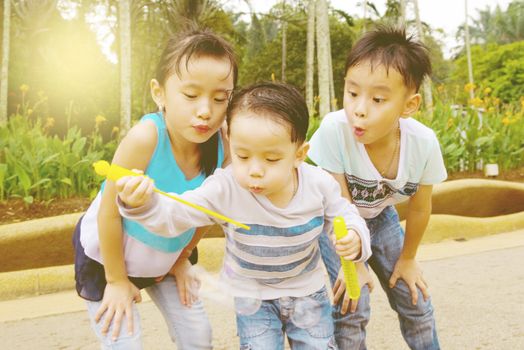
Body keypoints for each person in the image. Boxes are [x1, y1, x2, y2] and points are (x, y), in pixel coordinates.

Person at [115, 82, 372, 350]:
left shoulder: (318, 185)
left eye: (271, 159)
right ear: (231, 144)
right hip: (254, 299)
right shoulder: (226, 187)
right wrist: (141, 204)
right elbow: (174, 214)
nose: (255, 171)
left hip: (308, 292)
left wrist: (354, 237)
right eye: (242, 155)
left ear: (299, 155)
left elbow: (346, 214)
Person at [72, 29, 237, 349]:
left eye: (220, 98)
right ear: (159, 93)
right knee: (125, 342)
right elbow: (109, 212)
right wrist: (117, 281)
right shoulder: (145, 137)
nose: (206, 110)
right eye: (191, 95)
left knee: (198, 337)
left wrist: (182, 258)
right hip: (109, 259)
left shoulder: (222, 142)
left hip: (166, 255)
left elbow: (205, 212)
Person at [309, 25, 447, 350]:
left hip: (380, 218)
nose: (359, 108)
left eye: (378, 99)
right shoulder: (334, 130)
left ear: (408, 105)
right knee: (353, 303)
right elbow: (339, 206)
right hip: (336, 222)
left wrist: (409, 258)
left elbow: (420, 206)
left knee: (415, 298)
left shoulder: (423, 144)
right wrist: (354, 263)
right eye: (352, 93)